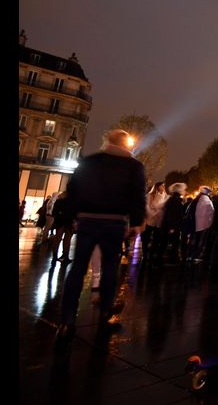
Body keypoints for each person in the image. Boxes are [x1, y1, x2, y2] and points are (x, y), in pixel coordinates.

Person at [56, 129, 146, 345]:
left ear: (107, 141)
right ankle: (105, 311)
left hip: (87, 219)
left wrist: (71, 217)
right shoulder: (133, 166)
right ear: (126, 145)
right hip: (114, 221)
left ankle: (67, 318)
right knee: (109, 268)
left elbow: (73, 189)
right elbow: (137, 195)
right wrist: (136, 222)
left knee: (78, 268)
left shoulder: (90, 161)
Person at [142, 182, 167, 265]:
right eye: (162, 185)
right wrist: (152, 213)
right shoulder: (150, 195)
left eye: (164, 186)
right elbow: (146, 206)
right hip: (150, 219)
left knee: (156, 238)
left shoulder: (165, 196)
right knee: (146, 237)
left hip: (159, 220)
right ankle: (145, 254)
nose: (163, 187)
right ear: (157, 186)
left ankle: (152, 253)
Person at [188, 186, 214, 263]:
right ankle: (196, 256)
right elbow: (211, 212)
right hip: (204, 225)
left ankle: (190, 255)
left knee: (194, 240)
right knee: (200, 240)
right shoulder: (207, 200)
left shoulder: (195, 200)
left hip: (194, 224)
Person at [51, 191, 75, 264]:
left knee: (58, 239)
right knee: (67, 240)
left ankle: (55, 256)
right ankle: (65, 256)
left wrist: (59, 215)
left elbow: (54, 212)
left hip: (61, 222)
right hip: (69, 222)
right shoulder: (73, 202)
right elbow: (75, 213)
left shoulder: (59, 201)